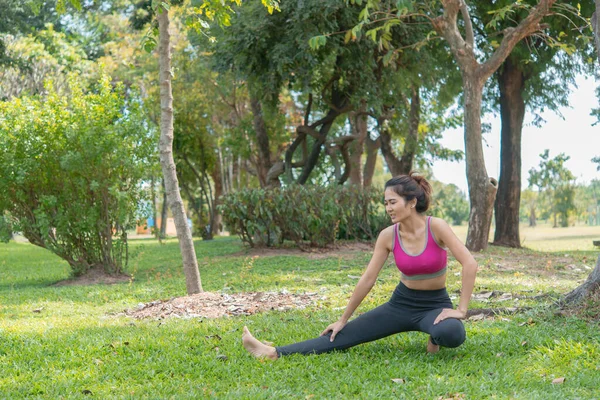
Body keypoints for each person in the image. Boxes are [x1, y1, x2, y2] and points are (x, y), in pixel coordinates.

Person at [242, 172, 477, 359]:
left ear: (412, 202)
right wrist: (343, 318)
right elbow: (368, 279)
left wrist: (462, 309)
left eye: (393, 202)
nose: (388, 208)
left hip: (435, 305)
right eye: (386, 203)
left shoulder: (437, 227)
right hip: (401, 304)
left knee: (451, 333)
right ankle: (272, 352)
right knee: (341, 337)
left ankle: (433, 338)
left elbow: (469, 264)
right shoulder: (388, 236)